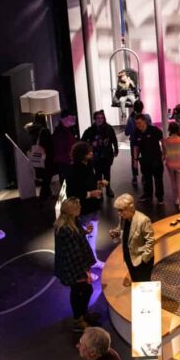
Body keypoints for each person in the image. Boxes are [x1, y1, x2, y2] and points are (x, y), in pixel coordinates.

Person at [54, 198, 98, 331]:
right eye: (78, 207)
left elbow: (78, 236)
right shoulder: (66, 230)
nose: (80, 208)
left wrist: (86, 232)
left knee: (83, 290)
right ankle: (78, 320)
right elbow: (74, 254)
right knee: (81, 291)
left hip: (75, 265)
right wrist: (85, 271)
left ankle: (83, 314)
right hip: (74, 267)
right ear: (72, 211)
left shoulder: (72, 222)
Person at [109, 194, 155, 286]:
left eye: (121, 210)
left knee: (144, 285)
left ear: (130, 208)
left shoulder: (143, 220)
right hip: (129, 257)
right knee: (136, 282)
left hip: (141, 261)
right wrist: (116, 233)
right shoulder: (123, 218)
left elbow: (150, 241)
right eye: (118, 210)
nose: (119, 213)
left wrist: (144, 259)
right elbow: (122, 230)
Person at [81, 110, 119, 197]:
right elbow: (82, 141)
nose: (100, 120)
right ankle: (99, 191)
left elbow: (114, 139)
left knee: (107, 173)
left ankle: (108, 189)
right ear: (94, 119)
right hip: (95, 157)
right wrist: (91, 144)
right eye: (98, 118)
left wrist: (116, 149)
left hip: (107, 155)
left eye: (101, 118)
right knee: (97, 174)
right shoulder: (90, 130)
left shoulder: (109, 128)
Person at [130, 114, 165, 206]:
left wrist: (164, 153)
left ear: (144, 121)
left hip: (156, 159)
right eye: (136, 123)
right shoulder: (136, 133)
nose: (138, 125)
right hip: (145, 160)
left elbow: (163, 141)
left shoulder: (154, 130)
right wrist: (135, 160)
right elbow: (135, 147)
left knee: (158, 179)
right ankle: (148, 195)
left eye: (139, 123)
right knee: (147, 179)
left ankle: (160, 197)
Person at [67, 141, 107, 218]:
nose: (91, 153)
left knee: (94, 223)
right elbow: (72, 192)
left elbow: (88, 181)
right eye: (88, 152)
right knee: (87, 225)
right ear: (81, 154)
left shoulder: (89, 165)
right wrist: (90, 194)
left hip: (93, 205)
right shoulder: (74, 170)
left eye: (90, 151)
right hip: (83, 209)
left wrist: (98, 183)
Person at [28, 114, 55, 199]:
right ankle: (44, 195)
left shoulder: (33, 130)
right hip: (46, 158)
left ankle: (47, 194)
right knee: (47, 177)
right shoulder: (44, 130)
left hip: (38, 156)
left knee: (45, 177)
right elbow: (47, 144)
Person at [124, 100, 150, 187]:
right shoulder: (147, 117)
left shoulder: (131, 119)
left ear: (134, 108)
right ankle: (144, 176)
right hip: (145, 142)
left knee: (134, 159)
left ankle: (134, 177)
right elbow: (150, 128)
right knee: (144, 158)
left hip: (134, 142)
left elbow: (126, 132)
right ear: (142, 108)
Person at [163, 122, 180, 211]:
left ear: (169, 130)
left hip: (169, 164)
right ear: (178, 130)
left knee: (173, 182)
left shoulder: (165, 141)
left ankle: (176, 200)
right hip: (179, 164)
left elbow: (164, 153)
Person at [53, 111, 79, 182]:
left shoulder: (69, 130)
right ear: (64, 119)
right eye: (71, 117)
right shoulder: (61, 132)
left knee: (69, 181)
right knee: (65, 182)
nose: (74, 119)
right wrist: (69, 159)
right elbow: (60, 149)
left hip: (67, 161)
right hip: (64, 162)